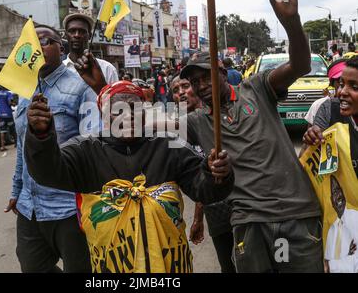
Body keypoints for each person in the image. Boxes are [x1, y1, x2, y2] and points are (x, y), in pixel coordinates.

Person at [181, 0, 323, 273]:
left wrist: (291, 22)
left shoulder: (256, 87)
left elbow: (301, 65)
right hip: (248, 222)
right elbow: (139, 124)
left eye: (207, 76)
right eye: (194, 82)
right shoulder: (195, 121)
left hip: (296, 213)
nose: (201, 85)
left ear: (223, 71)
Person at [24, 79, 234, 273]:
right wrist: (41, 136)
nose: (128, 115)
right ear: (105, 117)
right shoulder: (85, 150)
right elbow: (48, 172)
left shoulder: (169, 146)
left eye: (135, 108)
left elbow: (204, 188)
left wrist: (216, 173)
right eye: (118, 110)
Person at [4, 24, 96, 273]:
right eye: (33, 42)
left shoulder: (81, 88)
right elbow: (23, 148)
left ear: (61, 48)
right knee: (32, 266)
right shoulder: (25, 91)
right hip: (29, 207)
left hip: (68, 207)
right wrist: (16, 190)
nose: (38, 47)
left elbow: (93, 146)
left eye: (44, 41)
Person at [171, 76, 236, 273]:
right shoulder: (176, 127)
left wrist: (198, 218)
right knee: (229, 265)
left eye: (185, 86)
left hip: (238, 203)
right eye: (175, 89)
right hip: (215, 211)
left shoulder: (213, 117)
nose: (181, 92)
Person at [303, 56, 358, 178]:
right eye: (341, 84)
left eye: (354, 87)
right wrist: (313, 140)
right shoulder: (328, 109)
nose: (342, 91)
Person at [62, 13, 118, 85]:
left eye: (82, 31)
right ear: (66, 35)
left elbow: (115, 96)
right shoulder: (59, 70)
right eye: (72, 31)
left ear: (90, 36)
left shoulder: (107, 69)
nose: (77, 35)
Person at [324, 176, 358, 273]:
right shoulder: (331, 229)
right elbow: (328, 261)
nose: (338, 195)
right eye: (334, 192)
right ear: (331, 201)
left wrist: (330, 266)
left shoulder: (356, 217)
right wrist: (346, 257)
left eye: (339, 190)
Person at [0, 86, 14, 152]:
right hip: (8, 114)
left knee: (2, 130)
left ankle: (2, 146)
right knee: (12, 129)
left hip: (1, 114)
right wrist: (12, 104)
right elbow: (9, 102)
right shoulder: (9, 93)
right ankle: (17, 143)